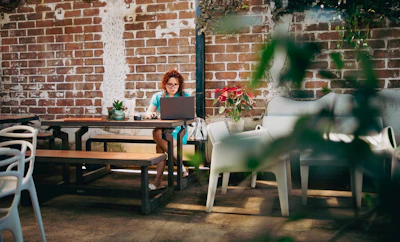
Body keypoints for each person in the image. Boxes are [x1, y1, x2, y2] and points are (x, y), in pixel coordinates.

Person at [145, 69, 189, 190]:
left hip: (179, 130)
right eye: (170, 84)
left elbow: (192, 114)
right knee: (157, 132)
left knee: (159, 146)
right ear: (165, 84)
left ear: (179, 85)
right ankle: (180, 166)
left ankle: (158, 181)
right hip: (164, 129)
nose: (173, 86)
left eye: (175, 84)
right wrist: (149, 114)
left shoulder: (184, 96)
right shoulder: (158, 96)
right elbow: (149, 111)